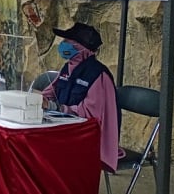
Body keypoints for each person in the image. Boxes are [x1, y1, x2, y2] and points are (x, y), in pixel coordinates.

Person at [41, 22, 121, 172]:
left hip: (85, 136)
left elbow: (90, 115)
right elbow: (51, 91)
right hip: (64, 128)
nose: (63, 45)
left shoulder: (98, 74)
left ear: (81, 47)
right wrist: (35, 98)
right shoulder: (68, 67)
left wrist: (57, 108)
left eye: (68, 42)